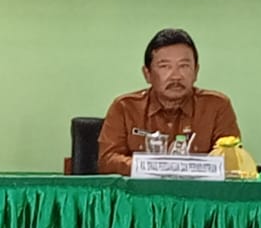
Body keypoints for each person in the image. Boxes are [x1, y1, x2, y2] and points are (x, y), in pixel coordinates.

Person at [96, 29, 241, 176]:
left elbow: (232, 163)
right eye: (165, 66)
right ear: (147, 74)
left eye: (184, 66)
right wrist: (156, 167)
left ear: (196, 71)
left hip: (198, 190)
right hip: (143, 190)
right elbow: (107, 161)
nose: (176, 76)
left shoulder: (217, 107)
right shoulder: (125, 107)